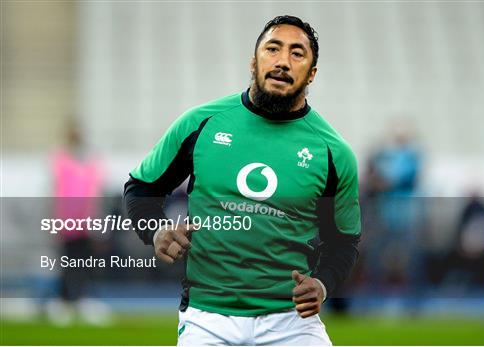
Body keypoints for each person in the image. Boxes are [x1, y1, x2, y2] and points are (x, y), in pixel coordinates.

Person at [124, 15, 361, 345]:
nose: (282, 61)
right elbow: (141, 188)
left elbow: (344, 241)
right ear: (254, 61)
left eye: (297, 53)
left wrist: (322, 284)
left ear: (312, 73)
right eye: (272, 49)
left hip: (291, 322)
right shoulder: (201, 123)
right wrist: (156, 230)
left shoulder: (333, 152)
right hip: (207, 318)